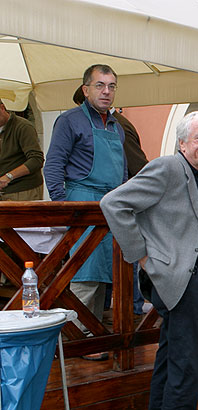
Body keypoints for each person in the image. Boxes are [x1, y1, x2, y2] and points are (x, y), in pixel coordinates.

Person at [100, 110, 198, 410]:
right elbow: (113, 203)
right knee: (185, 369)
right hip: (178, 281)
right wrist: (142, 256)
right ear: (183, 142)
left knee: (170, 365)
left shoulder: (192, 174)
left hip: (189, 280)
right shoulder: (169, 166)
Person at [44, 64, 128, 360]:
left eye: (112, 86)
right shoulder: (69, 121)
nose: (107, 91)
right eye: (100, 85)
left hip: (111, 206)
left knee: (104, 275)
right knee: (84, 274)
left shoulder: (117, 127)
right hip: (82, 202)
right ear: (86, 89)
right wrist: (64, 208)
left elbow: (123, 172)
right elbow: (52, 165)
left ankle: (90, 336)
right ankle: (74, 338)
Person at [73, 87, 150, 315]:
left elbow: (137, 167)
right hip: (105, 203)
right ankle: (108, 315)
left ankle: (130, 309)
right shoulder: (98, 125)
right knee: (97, 263)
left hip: (121, 203)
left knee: (123, 255)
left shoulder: (118, 125)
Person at [0, 99, 45, 201]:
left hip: (23, 191)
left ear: (2, 108)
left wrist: (9, 176)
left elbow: (36, 160)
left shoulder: (23, 127)